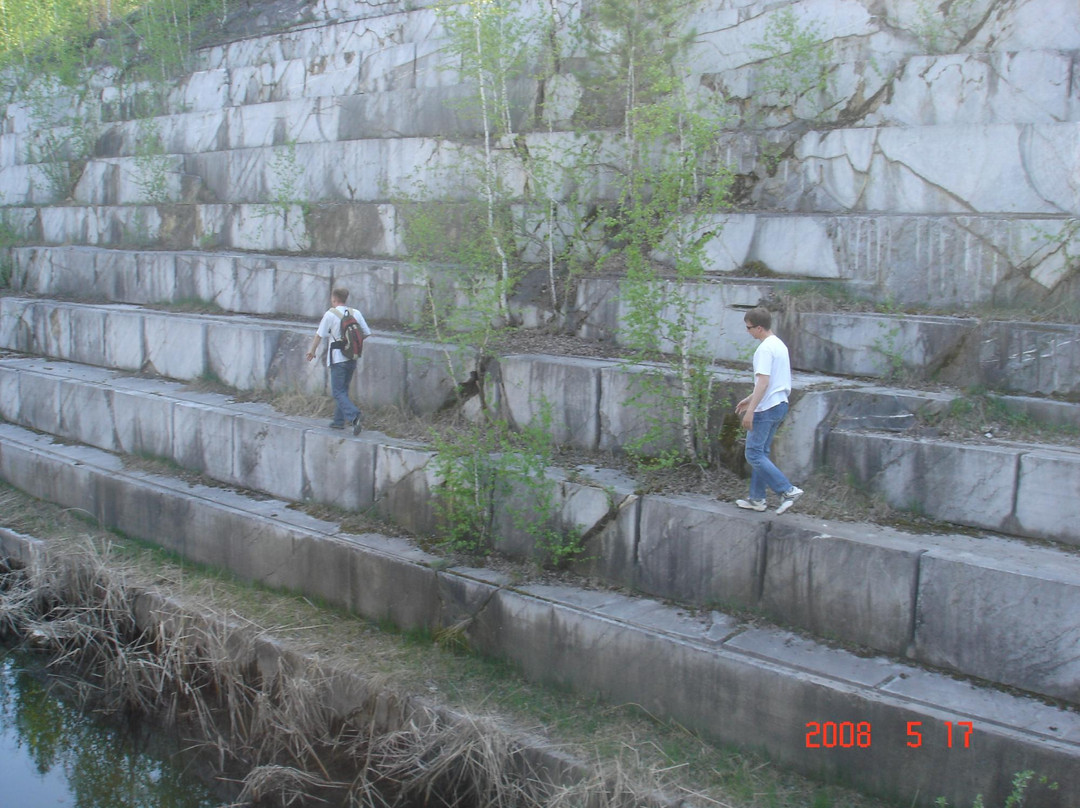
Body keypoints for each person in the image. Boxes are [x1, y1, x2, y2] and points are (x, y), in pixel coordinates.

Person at [734, 306, 804, 514]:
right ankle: (757, 499)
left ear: (760, 328)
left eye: (749, 328)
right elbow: (772, 382)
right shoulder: (779, 345)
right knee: (761, 453)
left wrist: (751, 411)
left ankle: (787, 490)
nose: (747, 331)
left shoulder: (764, 349)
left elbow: (763, 381)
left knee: (754, 454)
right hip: (780, 405)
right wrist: (749, 399)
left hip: (766, 409)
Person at [306, 288, 371, 435]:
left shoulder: (330, 314)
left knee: (337, 392)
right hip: (352, 357)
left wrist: (312, 351)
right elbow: (366, 332)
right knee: (343, 391)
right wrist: (351, 343)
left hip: (337, 358)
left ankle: (355, 415)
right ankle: (339, 421)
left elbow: (319, 335)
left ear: (334, 299)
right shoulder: (356, 313)